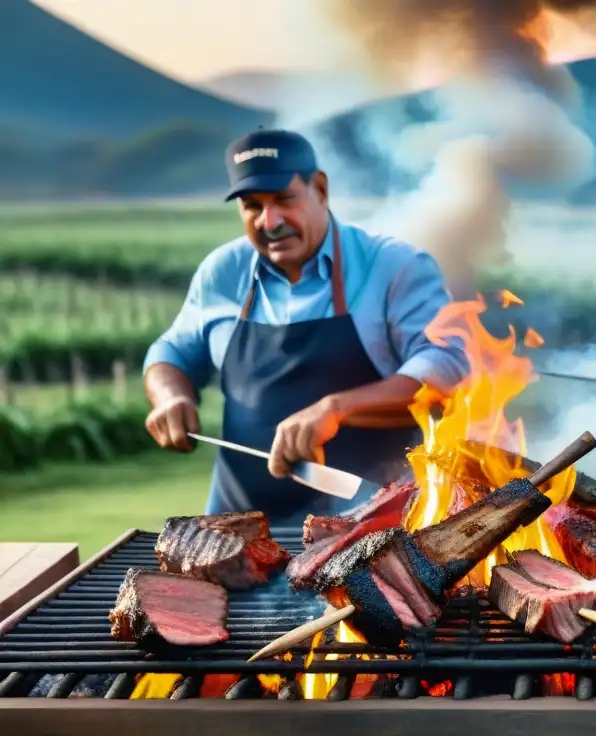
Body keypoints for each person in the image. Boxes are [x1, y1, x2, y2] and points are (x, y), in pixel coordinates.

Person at [143, 128, 469, 522]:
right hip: (236, 529)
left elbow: (447, 366)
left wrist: (336, 409)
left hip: (373, 530)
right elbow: (173, 351)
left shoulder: (394, 267)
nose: (270, 220)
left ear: (320, 189)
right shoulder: (222, 271)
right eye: (252, 206)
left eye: (284, 199)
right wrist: (169, 397)